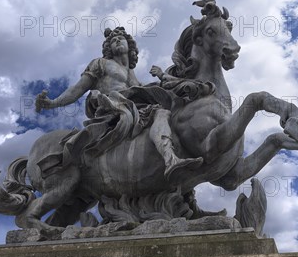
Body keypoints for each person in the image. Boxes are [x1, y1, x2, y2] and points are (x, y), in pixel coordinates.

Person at [36, 27, 203, 180]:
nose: (116, 40)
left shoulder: (130, 73)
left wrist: (162, 75)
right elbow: (77, 90)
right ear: (108, 48)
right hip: (111, 106)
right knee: (159, 112)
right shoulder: (100, 63)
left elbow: (149, 90)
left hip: (132, 106)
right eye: (113, 40)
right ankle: (170, 159)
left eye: (120, 38)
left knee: (167, 113)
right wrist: (52, 103)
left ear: (130, 46)